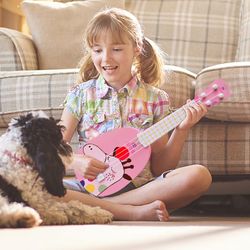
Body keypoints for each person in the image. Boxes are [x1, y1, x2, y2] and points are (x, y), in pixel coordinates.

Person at [60, 7, 212, 221]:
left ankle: (101, 208)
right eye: (97, 50)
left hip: (141, 188)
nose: (106, 58)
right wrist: (75, 161)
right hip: (90, 189)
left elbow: (161, 167)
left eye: (116, 49)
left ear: (137, 47)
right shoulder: (80, 95)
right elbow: (52, 149)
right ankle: (129, 212)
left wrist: (182, 130)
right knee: (28, 186)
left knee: (199, 176)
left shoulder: (156, 99)